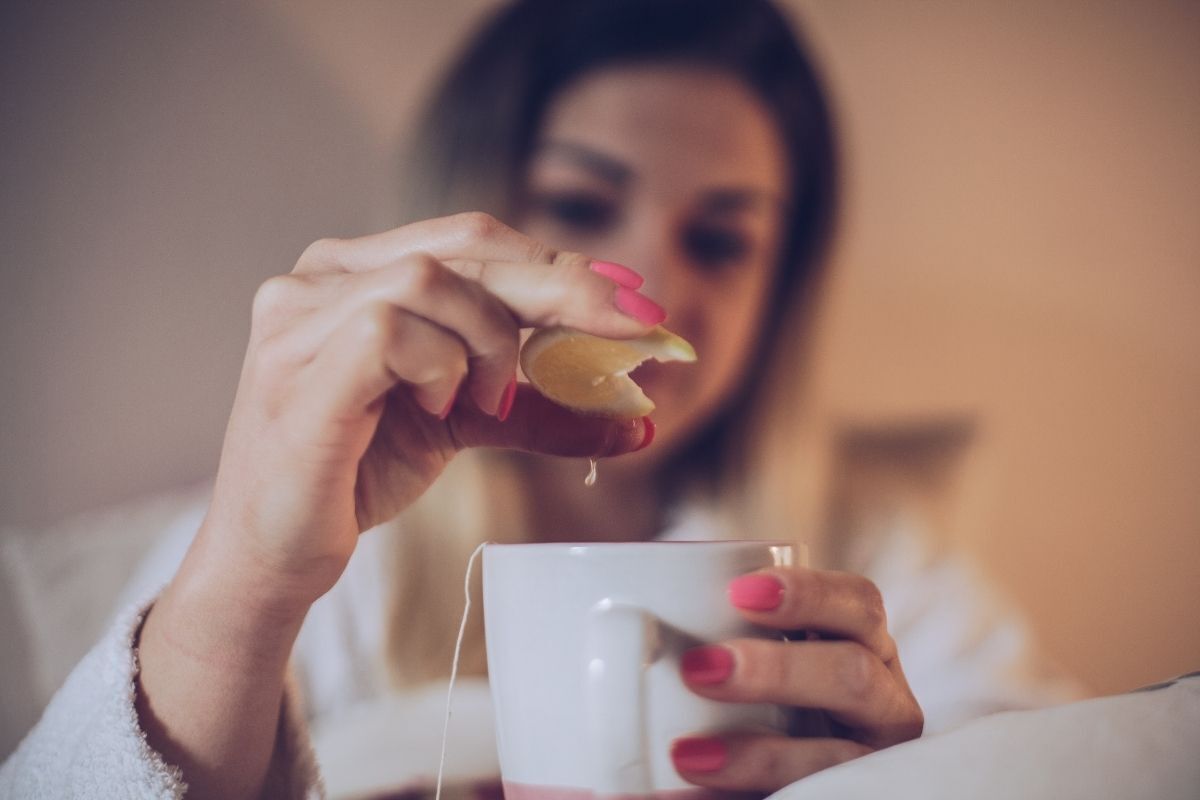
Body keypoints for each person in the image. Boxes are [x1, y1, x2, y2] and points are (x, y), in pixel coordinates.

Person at [0, 1, 1077, 798]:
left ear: (782, 286)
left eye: (722, 238)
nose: (651, 285)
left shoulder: (877, 559)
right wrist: (248, 579)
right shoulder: (322, 553)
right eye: (579, 203)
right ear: (476, 205)